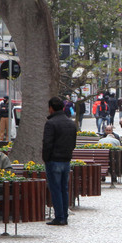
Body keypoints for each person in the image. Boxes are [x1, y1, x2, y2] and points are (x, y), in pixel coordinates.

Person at [42, 96, 77, 226]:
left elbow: (47, 143)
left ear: (51, 108)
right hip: (66, 160)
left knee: (55, 189)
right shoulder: (70, 123)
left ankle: (60, 217)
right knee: (64, 188)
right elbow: (73, 142)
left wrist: (46, 158)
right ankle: (64, 216)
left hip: (54, 160)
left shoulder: (51, 123)